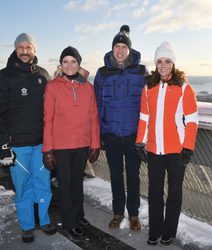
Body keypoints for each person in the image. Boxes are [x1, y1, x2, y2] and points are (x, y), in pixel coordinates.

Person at [136, 41, 198, 246]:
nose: (163, 65)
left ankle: (169, 231)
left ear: (173, 63)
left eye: (167, 61)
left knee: (174, 193)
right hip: (154, 149)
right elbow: (144, 117)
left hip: (176, 151)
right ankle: (154, 230)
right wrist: (140, 142)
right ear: (155, 63)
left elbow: (192, 120)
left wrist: (188, 147)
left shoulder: (184, 88)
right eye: (160, 61)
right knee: (154, 193)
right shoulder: (149, 87)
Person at [0, 33, 56, 243]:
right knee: (22, 186)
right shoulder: (5, 76)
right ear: (16, 50)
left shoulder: (43, 74)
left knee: (43, 183)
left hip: (41, 143)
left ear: (34, 50)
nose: (25, 51)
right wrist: (3, 145)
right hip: (18, 146)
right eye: (21, 47)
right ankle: (27, 225)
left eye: (28, 47)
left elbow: (51, 110)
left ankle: (44, 220)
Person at [42, 46, 100, 239]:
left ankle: (79, 214)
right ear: (61, 64)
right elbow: (47, 119)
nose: (69, 65)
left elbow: (93, 117)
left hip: (82, 144)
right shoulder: (52, 87)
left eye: (73, 61)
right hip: (61, 145)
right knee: (65, 184)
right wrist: (48, 150)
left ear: (78, 64)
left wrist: (95, 144)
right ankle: (70, 221)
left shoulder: (87, 88)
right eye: (65, 61)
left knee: (78, 183)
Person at [94, 25, 148, 231]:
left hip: (134, 135)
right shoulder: (102, 73)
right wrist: (98, 134)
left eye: (123, 46)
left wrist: (146, 135)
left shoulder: (141, 71)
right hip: (111, 134)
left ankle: (133, 214)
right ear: (112, 49)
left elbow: (150, 104)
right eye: (116, 46)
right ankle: (117, 212)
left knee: (133, 177)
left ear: (129, 50)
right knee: (115, 175)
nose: (119, 50)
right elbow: (97, 105)